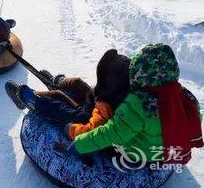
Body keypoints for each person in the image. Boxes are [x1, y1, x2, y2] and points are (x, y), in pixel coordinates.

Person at [67, 44, 203, 164]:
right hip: (168, 152)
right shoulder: (186, 97)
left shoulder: (140, 103)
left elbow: (112, 133)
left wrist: (80, 144)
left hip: (140, 154)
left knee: (96, 115)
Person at [5, 49, 130, 127]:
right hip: (94, 106)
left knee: (57, 96)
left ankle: (30, 99)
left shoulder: (113, 113)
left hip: (87, 117)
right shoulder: (127, 90)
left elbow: (90, 123)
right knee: (77, 83)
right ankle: (57, 81)